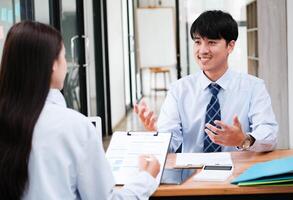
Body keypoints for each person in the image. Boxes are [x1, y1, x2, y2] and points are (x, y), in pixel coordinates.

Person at [0, 21, 160, 200]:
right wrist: (146, 179)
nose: (66, 65)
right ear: (52, 64)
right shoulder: (74, 127)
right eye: (64, 56)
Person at [135, 10, 278, 153]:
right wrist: (157, 135)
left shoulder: (254, 87)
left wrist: (243, 140)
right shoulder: (178, 90)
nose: (202, 50)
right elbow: (170, 142)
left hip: (239, 171)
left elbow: (270, 135)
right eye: (198, 42)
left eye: (211, 42)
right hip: (192, 173)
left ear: (230, 46)